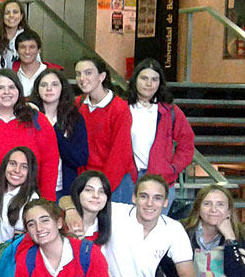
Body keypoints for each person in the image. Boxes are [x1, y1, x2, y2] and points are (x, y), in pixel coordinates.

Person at [125, 58, 195, 212]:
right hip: (127, 180)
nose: (149, 84)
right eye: (144, 78)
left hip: (160, 180)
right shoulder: (122, 108)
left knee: (156, 232)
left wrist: (172, 168)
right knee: (126, 231)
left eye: (154, 79)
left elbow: (187, 144)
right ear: (135, 80)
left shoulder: (170, 112)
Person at [0, 69, 59, 201]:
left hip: (28, 203)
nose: (7, 92)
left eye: (12, 87)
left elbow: (49, 163)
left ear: (19, 91)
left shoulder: (36, 119)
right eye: (0, 88)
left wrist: (46, 202)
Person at [74, 56, 134, 202]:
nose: (82, 78)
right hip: (86, 181)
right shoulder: (78, 104)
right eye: (78, 74)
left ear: (102, 76)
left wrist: (103, 188)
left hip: (114, 182)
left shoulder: (119, 108)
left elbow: (120, 154)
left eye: (88, 73)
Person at [29, 69, 89, 199]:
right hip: (32, 189)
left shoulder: (74, 118)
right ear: (37, 90)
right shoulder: (29, 117)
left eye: (54, 84)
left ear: (62, 88)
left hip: (64, 190)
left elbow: (80, 158)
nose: (49, 89)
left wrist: (52, 128)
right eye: (44, 85)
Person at [0, 146, 40, 247]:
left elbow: (25, 243)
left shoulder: (32, 199)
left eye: (24, 167)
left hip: (12, 257)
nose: (17, 170)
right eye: (12, 164)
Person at [64, 170, 112, 246]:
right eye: (89, 190)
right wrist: (69, 210)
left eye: (102, 191)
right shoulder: (61, 222)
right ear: (78, 193)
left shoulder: (107, 226)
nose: (96, 195)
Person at [13, 30, 60, 96]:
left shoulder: (52, 73)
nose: (27, 52)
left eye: (32, 47)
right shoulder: (12, 74)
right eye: (22, 47)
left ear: (39, 50)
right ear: (17, 51)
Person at [0, 0, 31, 67]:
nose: (11, 15)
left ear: (21, 16)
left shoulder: (28, 37)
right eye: (7, 13)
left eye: (15, 12)